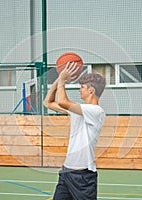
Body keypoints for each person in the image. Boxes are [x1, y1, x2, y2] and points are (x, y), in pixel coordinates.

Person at [43, 62, 106, 200]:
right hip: (66, 173)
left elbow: (63, 101)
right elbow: (47, 102)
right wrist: (59, 79)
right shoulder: (78, 110)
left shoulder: (96, 111)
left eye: (82, 87)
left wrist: (62, 80)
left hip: (82, 177)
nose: (80, 90)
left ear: (91, 91)